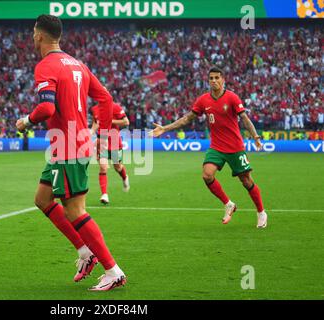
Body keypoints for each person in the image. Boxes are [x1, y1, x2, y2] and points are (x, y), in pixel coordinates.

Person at [16, 15, 126, 291]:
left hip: (67, 146)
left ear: (40, 36)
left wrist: (26, 121)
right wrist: (101, 129)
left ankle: (113, 271)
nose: (32, 37)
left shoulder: (46, 66)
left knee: (76, 211)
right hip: (66, 146)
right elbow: (106, 99)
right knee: (42, 199)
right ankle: (84, 252)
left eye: (33, 33)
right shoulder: (78, 64)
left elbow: (46, 109)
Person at [150, 67, 268, 229]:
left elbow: (245, 118)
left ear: (223, 79)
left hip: (235, 147)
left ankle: (261, 212)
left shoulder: (232, 98)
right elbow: (187, 119)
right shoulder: (203, 100)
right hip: (217, 147)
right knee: (207, 175)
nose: (214, 81)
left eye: (217, 78)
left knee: (246, 181)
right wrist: (165, 128)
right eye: (211, 78)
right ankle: (228, 204)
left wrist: (255, 137)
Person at [90, 102, 130, 204]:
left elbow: (126, 122)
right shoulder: (95, 109)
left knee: (118, 167)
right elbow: (95, 123)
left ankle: (125, 177)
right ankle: (104, 194)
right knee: (103, 167)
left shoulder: (115, 107)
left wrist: (110, 121)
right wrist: (90, 133)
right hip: (102, 141)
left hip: (115, 141)